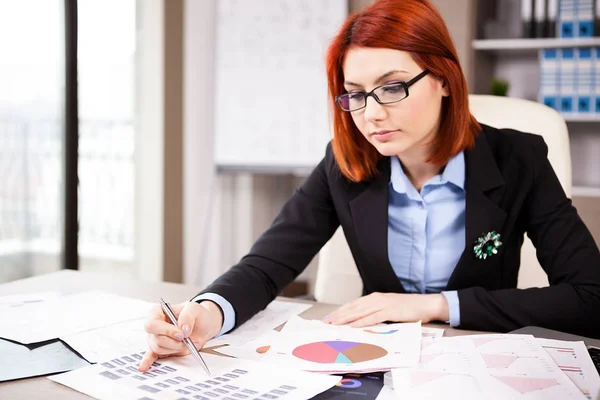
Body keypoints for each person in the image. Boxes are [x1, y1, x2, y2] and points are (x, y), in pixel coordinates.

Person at [139, 0, 600, 372]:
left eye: (393, 86)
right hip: (376, 366)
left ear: (443, 79)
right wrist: (208, 312)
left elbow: (590, 296)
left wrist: (437, 305)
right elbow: (266, 266)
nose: (372, 113)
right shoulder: (344, 164)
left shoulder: (518, 159)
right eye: (355, 93)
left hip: (476, 368)